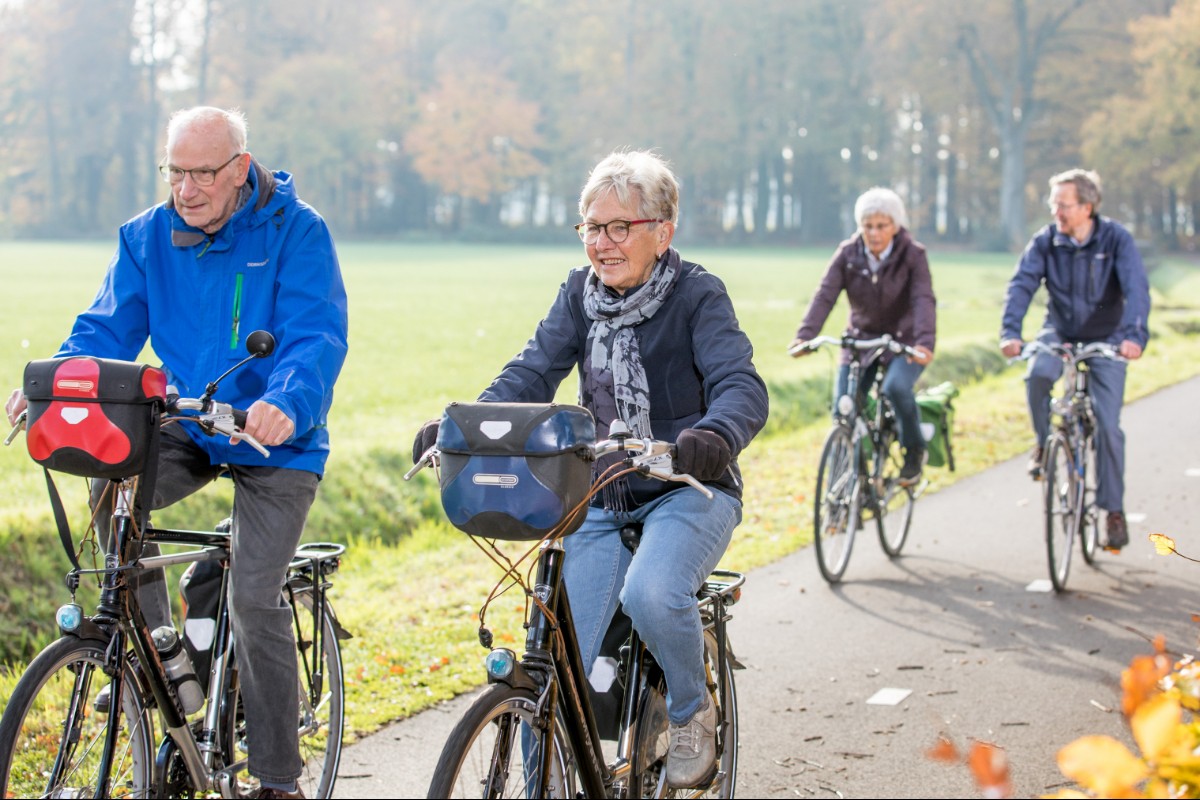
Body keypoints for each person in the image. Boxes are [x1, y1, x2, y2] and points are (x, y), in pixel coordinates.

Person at [5, 106, 349, 799]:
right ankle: (164, 652)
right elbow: (106, 328)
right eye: (174, 172)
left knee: (254, 599)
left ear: (240, 170)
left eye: (200, 174)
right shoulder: (147, 237)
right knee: (109, 482)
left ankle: (279, 779)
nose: (184, 189)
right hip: (189, 423)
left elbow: (315, 334)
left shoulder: (296, 231)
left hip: (273, 439)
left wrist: (288, 401)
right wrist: (56, 384)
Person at [412, 150, 768, 789]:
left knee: (652, 593)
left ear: (662, 231)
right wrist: (464, 427)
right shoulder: (579, 294)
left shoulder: (697, 296)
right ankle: (543, 777)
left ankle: (691, 710)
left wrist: (714, 435)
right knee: (557, 645)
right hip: (599, 491)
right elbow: (531, 372)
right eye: (591, 227)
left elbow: (740, 383)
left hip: (686, 486)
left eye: (618, 227)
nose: (601, 243)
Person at [999, 168, 1149, 552]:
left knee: (1108, 427)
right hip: (1060, 331)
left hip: (1108, 337)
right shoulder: (1047, 241)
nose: (1056, 213)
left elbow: (1136, 288)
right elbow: (1022, 284)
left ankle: (1112, 512)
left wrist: (1133, 336)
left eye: (1063, 205)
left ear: (1087, 207)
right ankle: (1041, 442)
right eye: (1054, 205)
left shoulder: (1115, 239)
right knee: (1036, 376)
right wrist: (1011, 332)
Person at [788, 186, 936, 485]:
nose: (874, 233)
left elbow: (923, 299)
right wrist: (805, 336)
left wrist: (923, 342)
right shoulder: (848, 253)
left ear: (895, 226)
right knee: (844, 406)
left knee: (896, 388)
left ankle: (914, 450)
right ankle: (843, 489)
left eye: (882, 225)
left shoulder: (913, 254)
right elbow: (825, 295)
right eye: (867, 226)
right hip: (860, 341)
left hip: (903, 341)